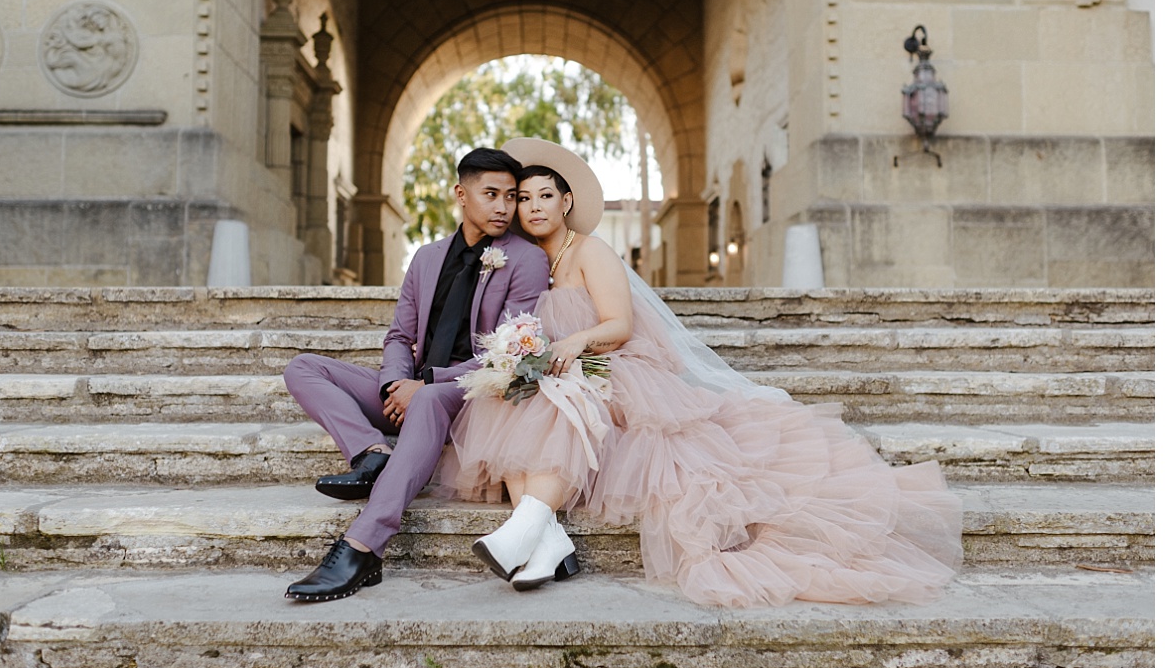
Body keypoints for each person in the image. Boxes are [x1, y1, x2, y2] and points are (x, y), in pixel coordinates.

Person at [442, 138, 963, 607]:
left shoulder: (591, 251)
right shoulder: (530, 261)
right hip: (564, 364)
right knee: (511, 405)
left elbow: (619, 324)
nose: (533, 208)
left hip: (615, 360)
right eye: (524, 199)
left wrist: (576, 342)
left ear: (566, 202)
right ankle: (548, 538)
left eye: (544, 197)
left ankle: (525, 527)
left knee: (565, 402)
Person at [280, 146, 549, 601]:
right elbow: (398, 335)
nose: (504, 207)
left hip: (473, 396)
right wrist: (392, 385)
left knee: (425, 399)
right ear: (461, 195)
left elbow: (506, 355)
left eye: (510, 196)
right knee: (303, 367)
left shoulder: (525, 259)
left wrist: (424, 385)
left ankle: (362, 547)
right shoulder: (426, 258)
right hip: (413, 389)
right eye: (491, 194)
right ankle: (371, 454)